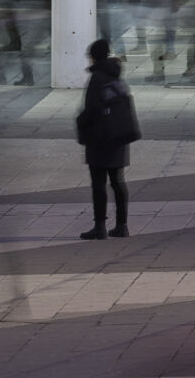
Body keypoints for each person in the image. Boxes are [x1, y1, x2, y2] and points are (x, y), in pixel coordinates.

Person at [76, 38, 140, 240]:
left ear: (94, 57)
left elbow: (91, 110)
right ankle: (122, 225)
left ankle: (100, 226)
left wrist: (80, 124)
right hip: (118, 136)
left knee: (98, 183)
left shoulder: (97, 78)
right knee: (117, 181)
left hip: (100, 138)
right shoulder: (116, 76)